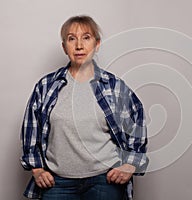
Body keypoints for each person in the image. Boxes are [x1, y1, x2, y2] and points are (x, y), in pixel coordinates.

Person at [20, 15, 148, 200]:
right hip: (57, 182)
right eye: (72, 38)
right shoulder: (46, 86)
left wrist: (130, 164)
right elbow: (31, 130)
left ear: (97, 44)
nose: (79, 45)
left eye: (86, 37)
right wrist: (38, 169)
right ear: (65, 47)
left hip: (104, 180)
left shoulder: (114, 86)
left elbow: (137, 124)